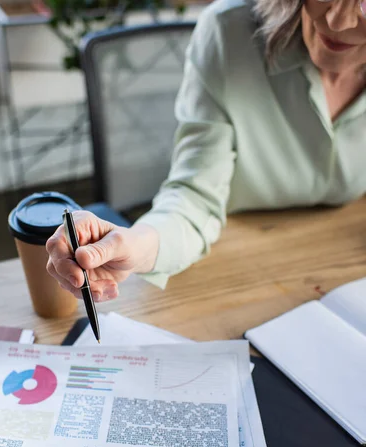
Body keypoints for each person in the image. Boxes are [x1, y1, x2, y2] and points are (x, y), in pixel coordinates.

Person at [46, 0, 366, 300]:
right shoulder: (229, 33)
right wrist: (134, 244)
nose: (337, 20)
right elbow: (194, 199)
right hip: (235, 269)